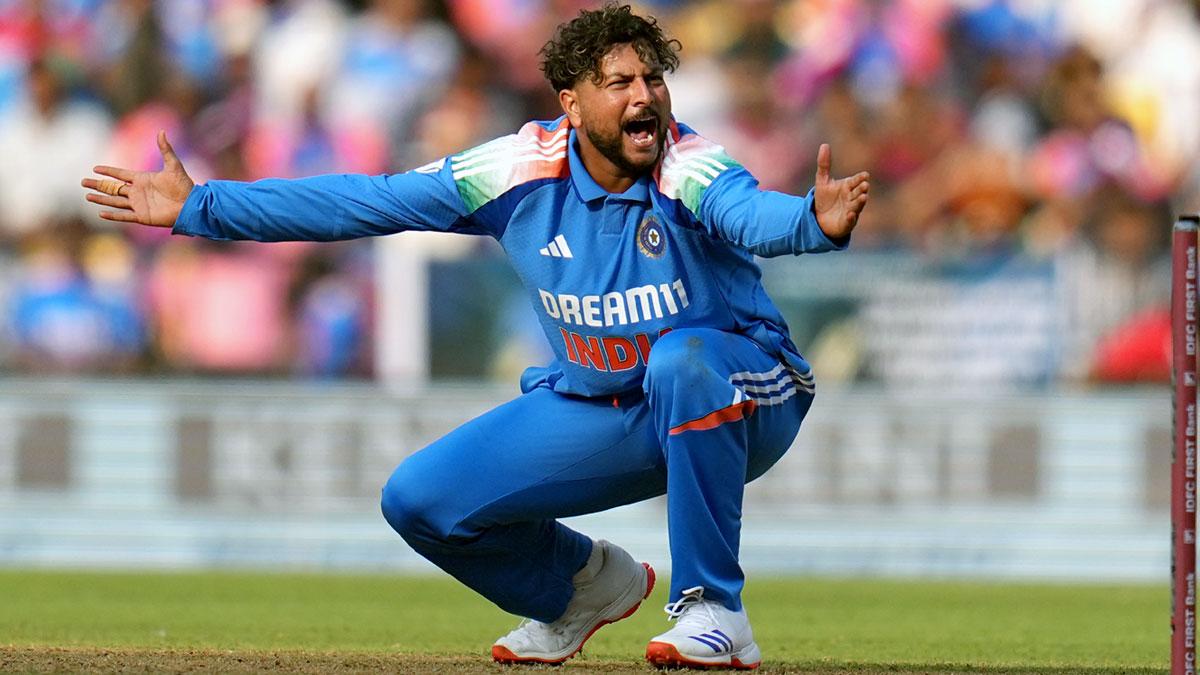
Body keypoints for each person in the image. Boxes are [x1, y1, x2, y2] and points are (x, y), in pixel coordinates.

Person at [82, 3, 869, 669]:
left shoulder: (687, 164)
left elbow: (747, 213)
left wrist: (810, 220)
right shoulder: (516, 169)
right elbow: (367, 202)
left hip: (745, 391)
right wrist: (203, 206)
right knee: (420, 500)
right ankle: (581, 587)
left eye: (653, 80)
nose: (646, 97)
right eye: (620, 83)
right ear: (571, 104)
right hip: (611, 406)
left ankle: (714, 608)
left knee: (682, 358)